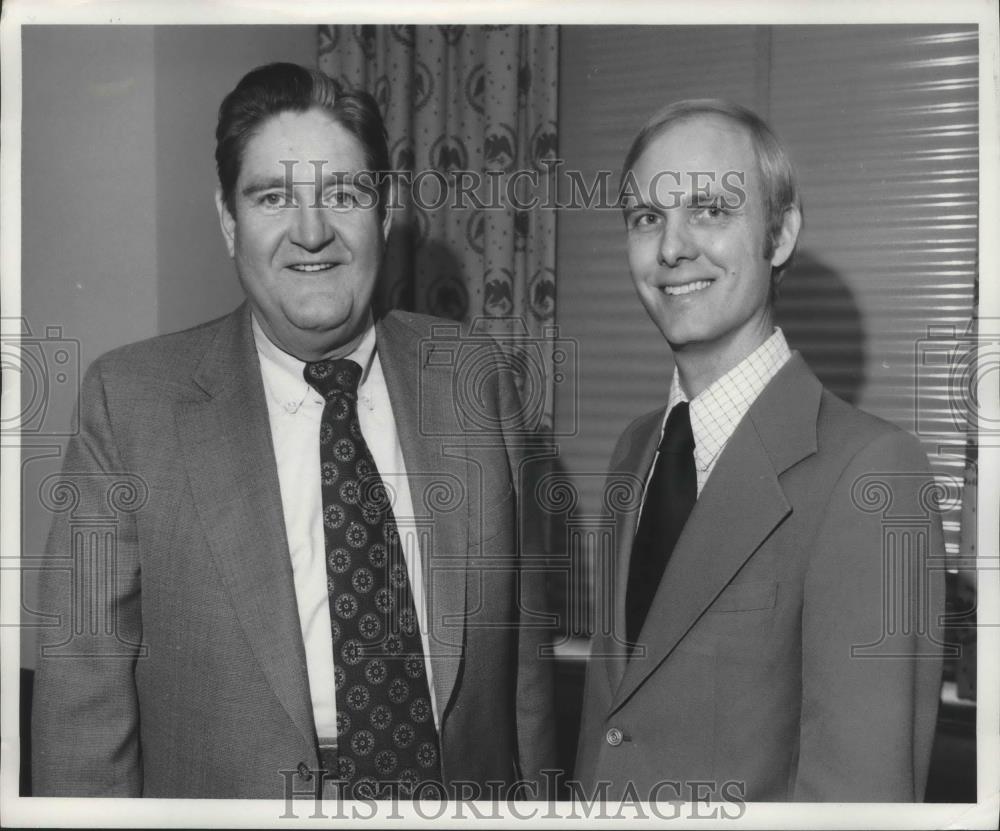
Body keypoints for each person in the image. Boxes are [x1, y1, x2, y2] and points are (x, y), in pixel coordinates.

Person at [31, 62, 554, 800]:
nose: (312, 233)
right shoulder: (130, 404)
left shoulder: (472, 376)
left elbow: (522, 658)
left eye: (342, 194)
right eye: (274, 196)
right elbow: (81, 705)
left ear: (384, 210)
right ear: (227, 220)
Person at [574, 99, 945, 802]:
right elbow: (613, 726)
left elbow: (860, 799)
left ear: (780, 236)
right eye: (647, 217)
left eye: (710, 209)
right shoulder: (635, 449)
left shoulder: (872, 472)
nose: (672, 247)